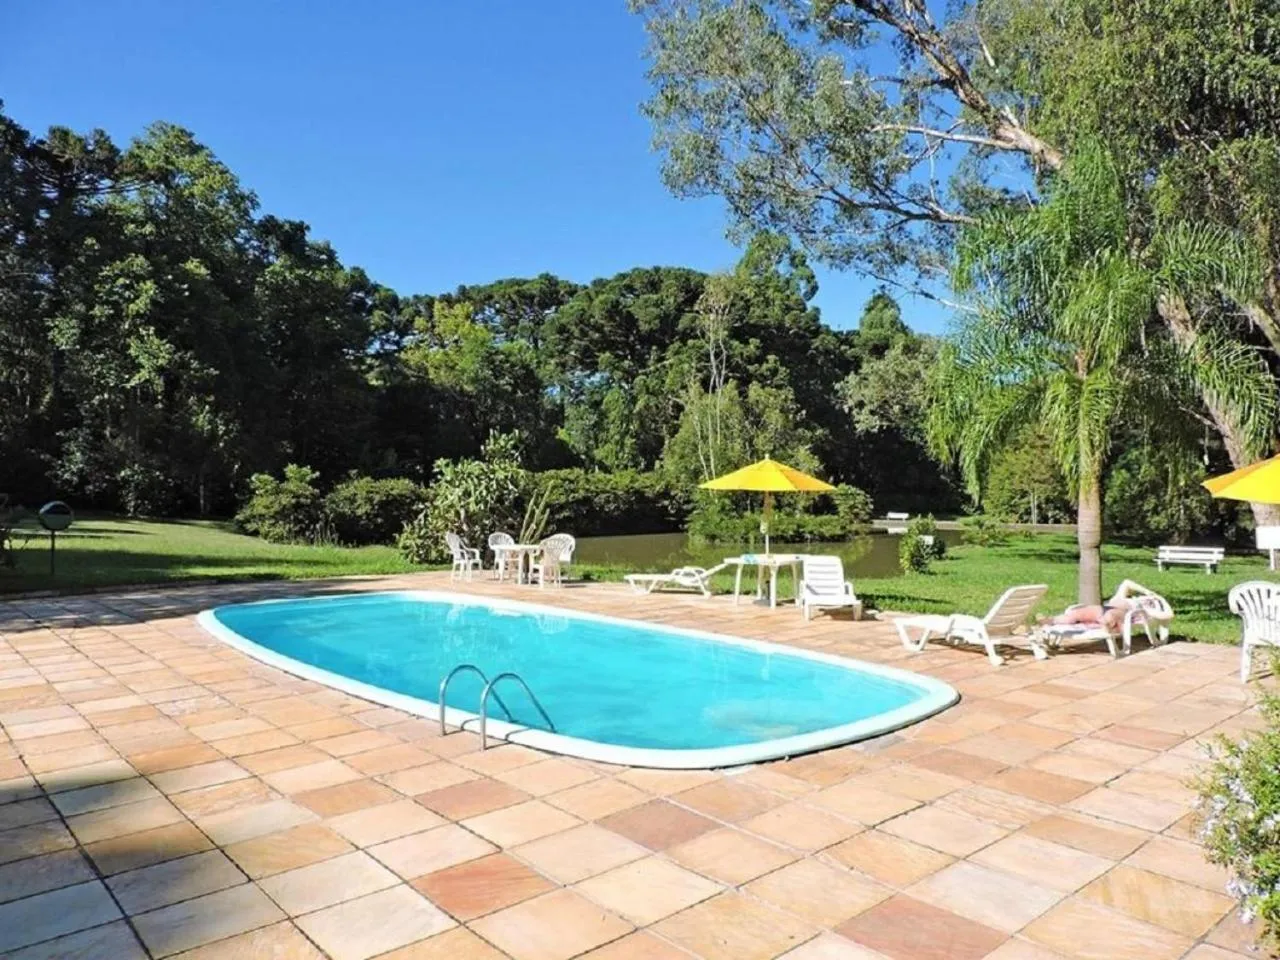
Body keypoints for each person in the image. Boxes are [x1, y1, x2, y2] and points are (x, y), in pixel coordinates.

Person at [1039, 579, 1152, 634]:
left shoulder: (1146, 603)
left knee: (1110, 616)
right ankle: (1051, 620)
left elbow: (1160, 614)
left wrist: (1150, 599)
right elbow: (1127, 583)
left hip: (1124, 613)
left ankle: (1107, 626)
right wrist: (1147, 591)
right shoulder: (1122, 596)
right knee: (1075, 614)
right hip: (1103, 608)